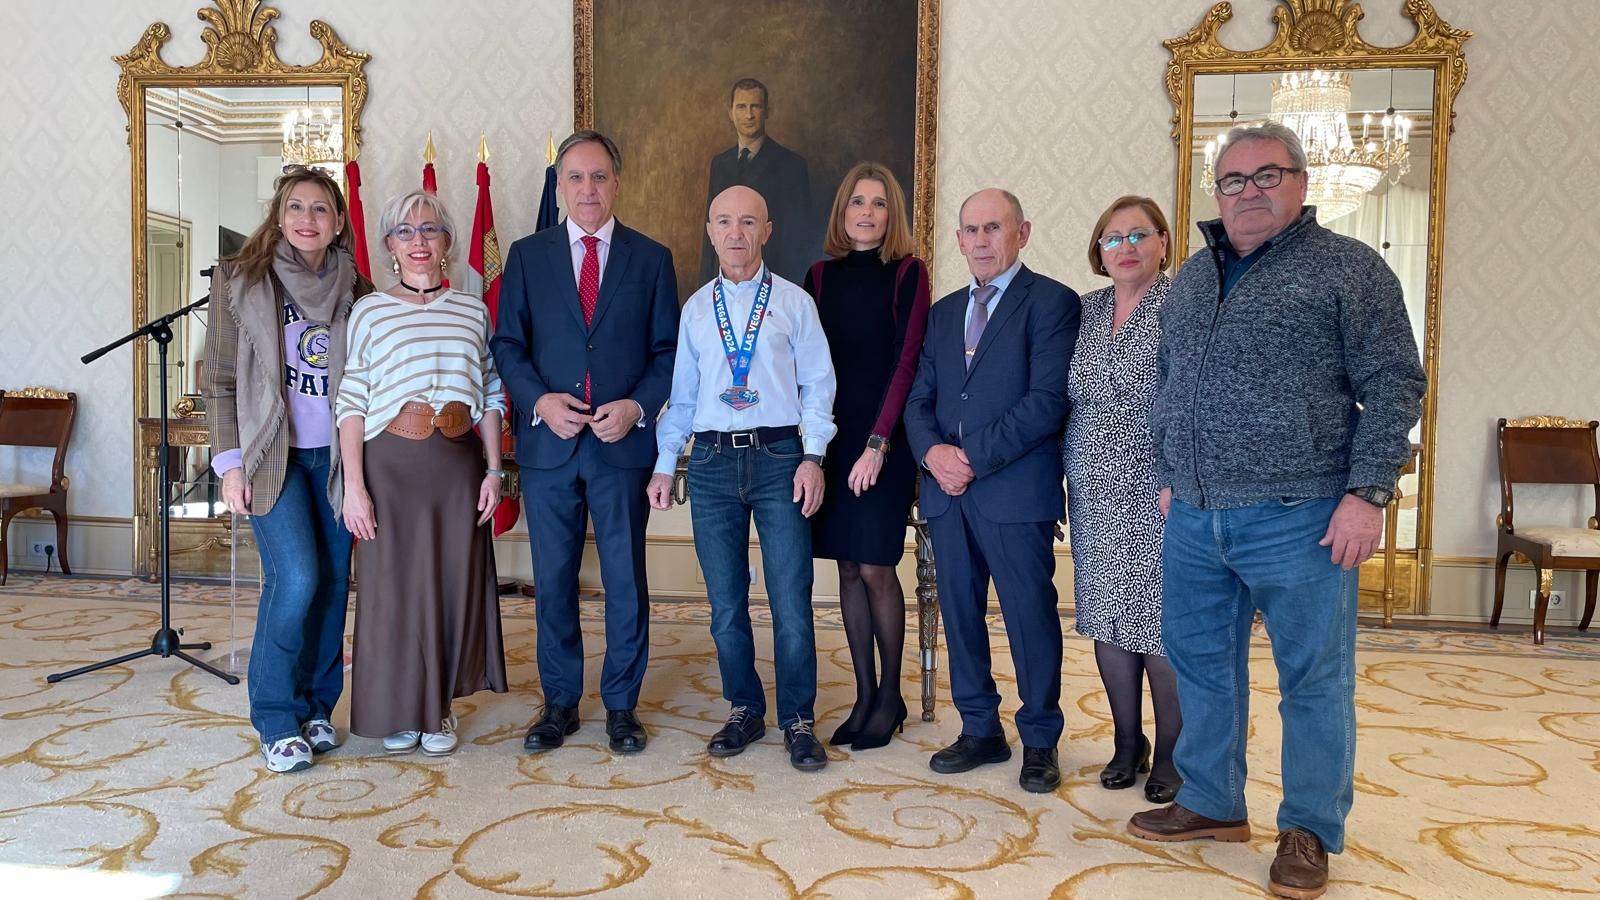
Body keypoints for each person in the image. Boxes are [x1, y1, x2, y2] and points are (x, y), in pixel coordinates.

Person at [1127, 122, 1425, 900]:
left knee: (1313, 679)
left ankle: (1309, 829)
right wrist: (1170, 469)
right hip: (1195, 516)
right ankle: (1212, 801)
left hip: (1302, 513)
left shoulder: (1348, 268)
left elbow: (1395, 381)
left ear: (1301, 182)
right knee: (1200, 665)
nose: (1249, 192)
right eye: (1234, 180)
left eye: (1268, 175)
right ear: (1216, 191)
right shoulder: (1193, 277)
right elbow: (1169, 379)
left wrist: (1368, 492)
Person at [491, 131, 679, 756]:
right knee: (553, 579)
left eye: (599, 176)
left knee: (625, 579)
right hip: (550, 444)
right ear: (559, 187)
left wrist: (637, 407)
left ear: (616, 183)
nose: (588, 189)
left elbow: (668, 353)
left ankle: (622, 706)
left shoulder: (651, 259)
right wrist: (539, 402)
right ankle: (560, 702)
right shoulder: (528, 256)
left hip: (620, 445)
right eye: (575, 177)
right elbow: (508, 345)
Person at [647, 185, 837, 773]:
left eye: (748, 222)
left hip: (781, 458)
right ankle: (745, 709)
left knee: (790, 599)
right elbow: (682, 398)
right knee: (725, 603)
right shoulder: (695, 310)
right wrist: (664, 463)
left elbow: (818, 386)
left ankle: (798, 720)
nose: (736, 233)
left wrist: (813, 456)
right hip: (710, 463)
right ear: (710, 232)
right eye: (724, 221)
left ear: (766, 230)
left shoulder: (795, 303)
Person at [902, 188, 1078, 793]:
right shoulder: (944, 311)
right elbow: (919, 398)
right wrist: (933, 454)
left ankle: (1040, 739)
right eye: (971, 231)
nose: (981, 241)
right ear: (958, 240)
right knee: (959, 615)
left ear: (1021, 233)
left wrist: (970, 459)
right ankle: (980, 729)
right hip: (946, 495)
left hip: (1014, 492)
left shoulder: (1051, 302)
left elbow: (1046, 401)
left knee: (1030, 617)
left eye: (993, 228)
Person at [203, 165, 371, 773]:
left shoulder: (361, 291)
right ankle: (276, 717)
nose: (307, 218)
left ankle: (317, 706)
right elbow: (219, 381)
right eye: (296, 207)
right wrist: (230, 466)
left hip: (339, 459)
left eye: (320, 208)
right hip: (273, 457)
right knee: (296, 578)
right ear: (278, 217)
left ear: (338, 222)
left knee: (332, 583)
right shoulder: (240, 281)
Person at [336, 190, 510, 758]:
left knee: (451, 585)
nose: (418, 241)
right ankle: (399, 708)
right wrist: (355, 487)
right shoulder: (369, 310)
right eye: (405, 231)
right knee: (393, 591)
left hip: (457, 466)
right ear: (389, 244)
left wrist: (494, 471)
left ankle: (437, 708)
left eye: (430, 229)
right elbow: (352, 400)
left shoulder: (473, 310)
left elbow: (489, 392)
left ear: (447, 242)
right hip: (390, 466)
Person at [801, 163, 930, 751]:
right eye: (858, 202)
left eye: (879, 203)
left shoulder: (908, 272)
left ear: (891, 214)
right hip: (833, 437)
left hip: (886, 439)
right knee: (847, 568)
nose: (867, 213)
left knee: (877, 566)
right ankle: (863, 694)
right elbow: (808, 364)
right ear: (843, 210)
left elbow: (906, 362)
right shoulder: (818, 277)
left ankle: (891, 697)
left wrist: (878, 444)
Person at [1060, 196, 1182, 802]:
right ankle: (1127, 742)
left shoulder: (1183, 307)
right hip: (1092, 489)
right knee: (1108, 620)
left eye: (1139, 234)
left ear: (1163, 242)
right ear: (1099, 251)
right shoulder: (1084, 311)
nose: (1126, 247)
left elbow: (1192, 398)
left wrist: (1178, 477)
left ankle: (1172, 753)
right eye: (1113, 238)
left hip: (1157, 489)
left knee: (1158, 628)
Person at [699, 78, 817, 286]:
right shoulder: (720, 164)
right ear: (731, 113)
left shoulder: (791, 165)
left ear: (767, 112)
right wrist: (705, 285)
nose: (749, 115)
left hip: (775, 281)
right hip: (726, 282)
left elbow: (800, 239)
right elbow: (711, 230)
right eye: (741, 107)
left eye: (755, 106)